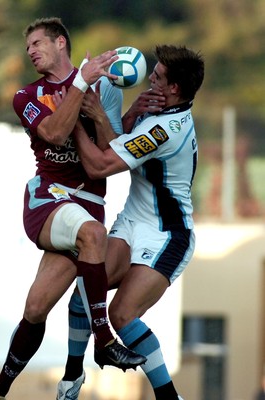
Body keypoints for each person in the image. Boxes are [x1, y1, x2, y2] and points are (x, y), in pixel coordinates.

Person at [0, 17, 147, 400]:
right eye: (28, 48)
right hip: (49, 198)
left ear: (61, 43)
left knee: (37, 308)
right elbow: (55, 133)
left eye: (38, 43)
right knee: (93, 234)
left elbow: (113, 150)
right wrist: (80, 84)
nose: (31, 52)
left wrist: (96, 109)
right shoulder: (26, 96)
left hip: (88, 202)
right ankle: (104, 339)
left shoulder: (103, 87)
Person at [57, 44, 205, 400]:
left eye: (157, 76)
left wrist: (80, 117)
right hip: (134, 220)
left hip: (167, 235)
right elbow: (120, 145)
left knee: (121, 315)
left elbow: (100, 164)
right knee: (84, 288)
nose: (148, 78)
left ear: (174, 90)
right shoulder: (157, 110)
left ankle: (168, 396)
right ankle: (72, 378)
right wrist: (128, 113)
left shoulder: (166, 129)